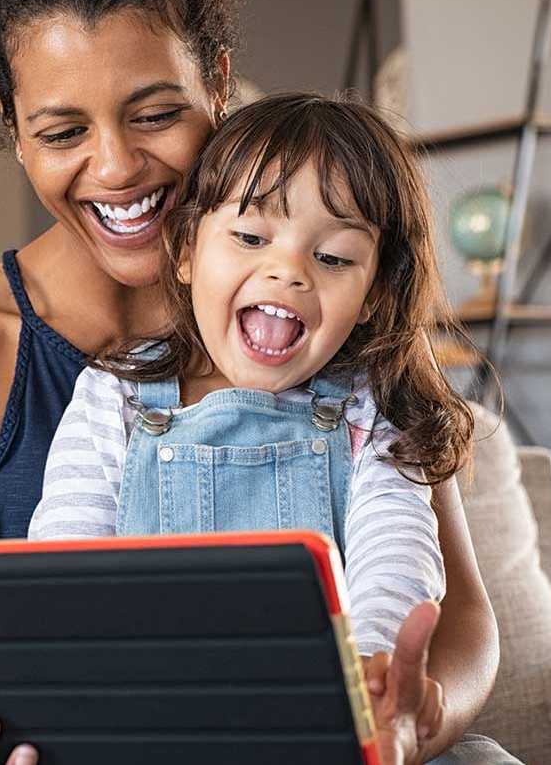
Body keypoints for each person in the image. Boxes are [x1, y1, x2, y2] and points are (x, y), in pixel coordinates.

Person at [0, 0, 509, 763]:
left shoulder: (325, 329)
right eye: (63, 130)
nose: (117, 166)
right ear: (16, 131)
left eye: (156, 114)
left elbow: (458, 617)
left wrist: (403, 717)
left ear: (218, 83)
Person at [30, 91, 472, 754]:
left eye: (333, 257)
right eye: (249, 236)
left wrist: (375, 670)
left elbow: (397, 554)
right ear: (185, 252)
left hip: (323, 727)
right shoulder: (115, 395)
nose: (287, 270)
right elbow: (63, 568)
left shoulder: (367, 409)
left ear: (376, 295)